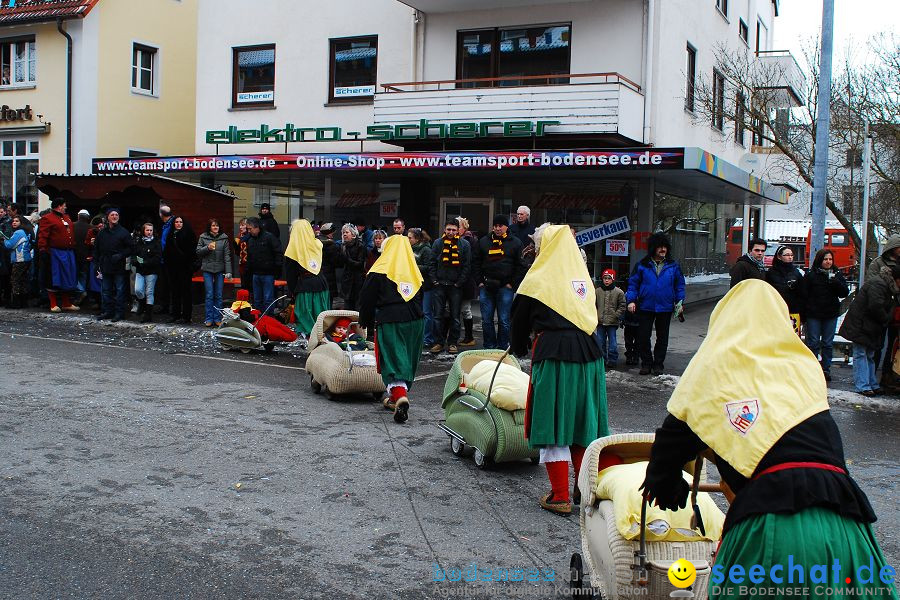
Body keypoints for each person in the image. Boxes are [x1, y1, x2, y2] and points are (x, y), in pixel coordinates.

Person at [640, 280, 894, 600]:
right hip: (847, 525)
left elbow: (670, 441)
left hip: (774, 529)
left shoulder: (713, 369)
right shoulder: (801, 366)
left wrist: (665, 483)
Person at [510, 224, 608, 515]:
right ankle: (583, 488)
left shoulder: (538, 278)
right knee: (581, 423)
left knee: (553, 422)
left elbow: (519, 318)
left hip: (554, 355)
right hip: (590, 356)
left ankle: (560, 495)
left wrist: (518, 346)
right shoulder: (582, 279)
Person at [358, 234, 425, 424]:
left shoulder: (378, 270)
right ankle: (395, 398)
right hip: (416, 321)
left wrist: (366, 321)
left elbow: (367, 299)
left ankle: (400, 395)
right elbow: (421, 296)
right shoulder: (413, 271)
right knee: (407, 358)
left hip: (391, 319)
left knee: (392, 359)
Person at [626, 232, 686, 375]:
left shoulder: (673, 266)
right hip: (645, 306)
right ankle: (646, 363)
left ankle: (658, 364)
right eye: (660, 247)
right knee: (643, 336)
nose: (663, 249)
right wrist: (631, 301)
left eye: (665, 246)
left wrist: (680, 302)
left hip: (665, 307)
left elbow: (680, 286)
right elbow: (633, 285)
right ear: (653, 248)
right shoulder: (642, 265)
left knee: (662, 337)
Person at [838, 264, 900, 397]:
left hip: (868, 324)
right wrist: (887, 318)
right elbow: (875, 306)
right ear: (896, 278)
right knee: (862, 354)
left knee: (868, 354)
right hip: (863, 324)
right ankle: (864, 385)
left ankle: (870, 384)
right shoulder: (880, 285)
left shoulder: (884, 284)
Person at [472, 214, 524, 350]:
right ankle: (489, 346)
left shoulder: (516, 242)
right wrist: (479, 282)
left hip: (505, 287)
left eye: (500, 226)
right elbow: (476, 262)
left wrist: (511, 283)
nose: (497, 228)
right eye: (495, 226)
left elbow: (520, 266)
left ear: (506, 227)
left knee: (504, 320)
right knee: (486, 320)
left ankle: (502, 347)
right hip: (486, 286)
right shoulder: (483, 241)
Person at [802, 249, 850, 382]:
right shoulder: (811, 275)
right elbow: (804, 294)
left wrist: (836, 283)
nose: (828, 262)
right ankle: (812, 368)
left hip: (830, 314)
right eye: (825, 259)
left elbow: (844, 292)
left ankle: (826, 369)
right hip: (814, 314)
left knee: (828, 343)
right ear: (820, 260)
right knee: (813, 342)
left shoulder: (837, 274)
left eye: (830, 259)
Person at [428, 219, 472, 355]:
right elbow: (431, 263)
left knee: (455, 317)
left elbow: (467, 266)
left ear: (458, 230)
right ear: (444, 229)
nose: (451, 232)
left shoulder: (464, 244)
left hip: (455, 286)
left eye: (453, 230)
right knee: (437, 316)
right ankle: (438, 342)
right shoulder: (437, 243)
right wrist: (434, 280)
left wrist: (459, 282)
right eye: (449, 229)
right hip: (439, 285)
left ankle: (453, 343)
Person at [283, 219, 329, 339]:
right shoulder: (317, 245)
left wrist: (292, 292)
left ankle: (310, 336)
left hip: (305, 287)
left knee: (305, 314)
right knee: (320, 312)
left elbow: (291, 275)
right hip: (321, 284)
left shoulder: (292, 250)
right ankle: (322, 335)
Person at [37, 198, 80, 312]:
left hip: (68, 252)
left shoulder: (66, 217)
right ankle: (53, 304)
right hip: (55, 252)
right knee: (54, 277)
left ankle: (66, 303)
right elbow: (43, 236)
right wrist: (43, 249)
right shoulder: (47, 218)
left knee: (68, 276)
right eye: (64, 205)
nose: (66, 207)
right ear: (59, 206)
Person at [93, 208, 134, 321]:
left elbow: (131, 247)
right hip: (105, 265)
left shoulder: (123, 232)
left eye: (116, 215)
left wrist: (121, 255)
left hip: (118, 265)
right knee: (106, 290)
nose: (115, 217)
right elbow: (96, 249)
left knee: (120, 290)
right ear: (108, 217)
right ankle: (108, 311)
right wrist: (96, 263)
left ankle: (119, 313)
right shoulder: (102, 233)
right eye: (112, 215)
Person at [196, 218, 233, 327]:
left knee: (218, 294)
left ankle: (217, 318)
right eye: (213, 226)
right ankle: (208, 318)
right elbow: (198, 252)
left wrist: (229, 271)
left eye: (217, 225)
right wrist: (207, 247)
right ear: (209, 227)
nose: (215, 227)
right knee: (209, 294)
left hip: (220, 269)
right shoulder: (203, 237)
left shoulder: (224, 238)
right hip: (207, 269)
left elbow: (227, 255)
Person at [163, 215, 197, 324]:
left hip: (185, 268)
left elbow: (192, 252)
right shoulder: (170, 235)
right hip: (173, 268)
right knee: (175, 292)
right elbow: (167, 251)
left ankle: (186, 316)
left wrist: (188, 263)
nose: (178, 224)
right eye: (176, 222)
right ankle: (175, 314)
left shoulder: (189, 234)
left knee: (186, 292)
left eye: (180, 222)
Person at [230, 289, 298, 344]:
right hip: (255, 322)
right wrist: (257, 315)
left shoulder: (237, 304)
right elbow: (247, 318)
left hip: (258, 320)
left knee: (275, 324)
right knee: (275, 326)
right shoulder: (244, 306)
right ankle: (291, 336)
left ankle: (291, 335)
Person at [245, 216, 282, 315]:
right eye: (247, 229)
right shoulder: (251, 240)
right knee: (257, 300)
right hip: (256, 273)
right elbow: (249, 257)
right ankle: (258, 320)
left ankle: (268, 319)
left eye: (250, 229)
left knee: (268, 299)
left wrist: (277, 269)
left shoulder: (269, 237)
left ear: (257, 227)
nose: (249, 231)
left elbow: (278, 252)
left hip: (268, 273)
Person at [765, 245, 805, 327]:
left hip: (793, 310)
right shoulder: (771, 273)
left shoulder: (797, 272)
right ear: (779, 257)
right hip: (776, 310)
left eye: (791, 255)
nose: (790, 257)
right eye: (787, 255)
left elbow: (802, 293)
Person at [408, 228, 434, 348]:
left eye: (410, 238)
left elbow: (428, 267)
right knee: (416, 311)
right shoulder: (409, 249)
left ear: (417, 239)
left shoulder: (426, 249)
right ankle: (417, 337)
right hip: (414, 284)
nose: (408, 240)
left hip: (427, 285)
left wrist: (413, 266)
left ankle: (427, 338)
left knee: (427, 312)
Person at [595, 269, 626, 369]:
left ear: (613, 279)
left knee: (613, 343)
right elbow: (594, 304)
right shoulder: (597, 291)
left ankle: (612, 360)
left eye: (609, 278)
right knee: (600, 341)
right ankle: (602, 359)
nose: (606, 280)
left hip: (612, 322)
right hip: (600, 321)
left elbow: (622, 305)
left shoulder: (619, 292)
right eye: (605, 278)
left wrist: (616, 315)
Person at [456, 216, 479, 347]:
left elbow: (471, 262)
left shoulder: (470, 241)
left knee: (465, 309)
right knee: (450, 309)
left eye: (459, 226)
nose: (456, 229)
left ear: (465, 228)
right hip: (454, 281)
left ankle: (469, 337)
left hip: (466, 282)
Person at [133, 222, 161, 323]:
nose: (149, 232)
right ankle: (142, 304)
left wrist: (146, 262)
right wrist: (135, 261)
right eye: (147, 230)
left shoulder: (156, 242)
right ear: (143, 231)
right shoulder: (139, 242)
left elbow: (157, 258)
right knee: (138, 290)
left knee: (149, 292)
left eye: (151, 230)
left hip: (152, 271)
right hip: (140, 270)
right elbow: (134, 254)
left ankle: (148, 314)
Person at [2, 215, 33, 308]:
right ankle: (24, 301)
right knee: (22, 280)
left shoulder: (18, 232)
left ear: (21, 223)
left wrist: (4, 239)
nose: (14, 222)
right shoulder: (25, 231)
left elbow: (9, 245)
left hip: (20, 259)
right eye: (13, 221)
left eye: (17, 221)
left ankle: (16, 302)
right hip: (26, 258)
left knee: (15, 280)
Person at [339, 223, 367, 310]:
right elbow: (340, 263)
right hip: (347, 279)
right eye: (343, 232)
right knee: (347, 306)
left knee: (357, 306)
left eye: (347, 232)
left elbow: (359, 264)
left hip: (357, 280)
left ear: (353, 234)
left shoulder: (360, 246)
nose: (344, 234)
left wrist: (346, 259)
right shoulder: (343, 246)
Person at [316, 222, 342, 306]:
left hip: (317, 276)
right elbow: (338, 263)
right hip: (328, 277)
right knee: (328, 303)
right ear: (329, 233)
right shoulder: (332, 246)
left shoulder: (315, 243)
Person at [73, 209, 92, 301]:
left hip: (73, 255)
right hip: (86, 256)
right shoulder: (91, 228)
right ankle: (82, 291)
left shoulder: (72, 226)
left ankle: (79, 292)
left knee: (73, 274)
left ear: (78, 216)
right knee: (83, 274)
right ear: (88, 217)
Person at [232, 218, 251, 294]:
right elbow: (237, 253)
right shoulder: (239, 236)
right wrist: (235, 246)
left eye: (242, 225)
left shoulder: (251, 237)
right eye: (240, 225)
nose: (240, 227)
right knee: (243, 286)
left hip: (250, 265)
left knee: (251, 287)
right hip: (242, 265)